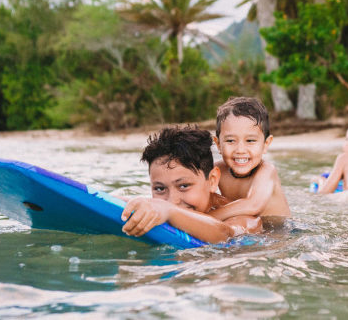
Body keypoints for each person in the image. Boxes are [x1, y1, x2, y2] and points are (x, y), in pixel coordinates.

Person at [121, 126, 261, 243]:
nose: (172, 200)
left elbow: (225, 234)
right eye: (160, 188)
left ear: (212, 180)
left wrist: (169, 211)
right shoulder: (159, 207)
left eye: (183, 186)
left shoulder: (245, 218)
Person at [208, 97, 291, 224]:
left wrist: (208, 217)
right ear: (218, 144)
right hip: (247, 227)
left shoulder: (266, 171)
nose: (240, 150)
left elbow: (253, 206)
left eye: (250, 141)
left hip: (278, 234)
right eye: (230, 141)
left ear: (265, 144)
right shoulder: (217, 170)